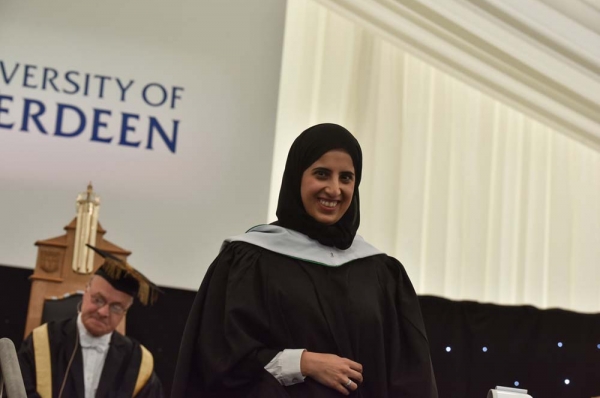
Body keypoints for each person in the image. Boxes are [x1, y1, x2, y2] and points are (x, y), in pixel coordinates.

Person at [172, 123, 438, 397]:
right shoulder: (250, 260)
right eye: (322, 174)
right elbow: (219, 360)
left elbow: (410, 378)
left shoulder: (381, 273)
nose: (334, 189)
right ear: (296, 176)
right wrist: (302, 363)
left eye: (346, 178)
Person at [18, 244, 164, 398]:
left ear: (125, 312)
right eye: (98, 300)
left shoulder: (138, 361)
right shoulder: (43, 342)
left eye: (116, 307)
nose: (103, 312)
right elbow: (18, 392)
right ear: (85, 292)